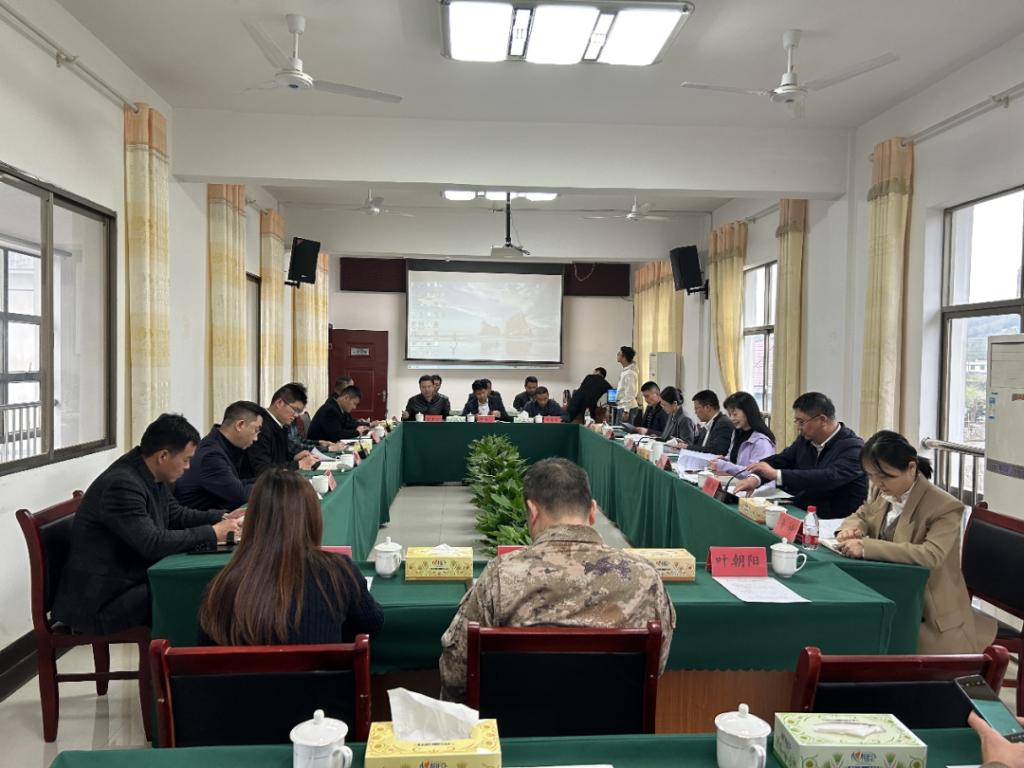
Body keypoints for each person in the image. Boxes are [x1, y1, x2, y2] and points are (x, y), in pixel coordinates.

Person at [438, 458, 676, 702]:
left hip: (517, 724)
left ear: (533, 512)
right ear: (592, 511)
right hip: (615, 725)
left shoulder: (500, 576)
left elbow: (456, 674)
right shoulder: (645, 577)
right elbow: (654, 667)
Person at [51, 414, 242, 634]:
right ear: (163, 456)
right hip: (102, 600)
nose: (188, 467)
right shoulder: (122, 484)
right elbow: (152, 543)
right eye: (186, 460)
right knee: (192, 591)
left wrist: (223, 517)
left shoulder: (150, 473)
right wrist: (212, 533)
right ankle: (186, 655)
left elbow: (176, 515)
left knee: (204, 586)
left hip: (129, 579)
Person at [836, 431, 997, 654]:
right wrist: (851, 528)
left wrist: (867, 547)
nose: (877, 483)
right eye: (871, 475)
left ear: (911, 468)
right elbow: (863, 513)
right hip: (890, 588)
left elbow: (931, 555)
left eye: (885, 476)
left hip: (928, 609)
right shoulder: (880, 488)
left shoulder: (945, 506)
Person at [198, 468, 384, 645]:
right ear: (312, 517)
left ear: (253, 520)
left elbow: (207, 651)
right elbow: (371, 625)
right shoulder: (338, 571)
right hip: (320, 669)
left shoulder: (220, 587)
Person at [732, 392, 868, 519]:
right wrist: (756, 478)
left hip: (836, 520)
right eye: (796, 421)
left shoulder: (854, 448)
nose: (798, 427)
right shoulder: (805, 439)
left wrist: (776, 475)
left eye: (801, 422)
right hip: (802, 510)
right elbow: (783, 460)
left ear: (822, 420)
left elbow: (827, 477)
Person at [174, 400, 263, 511]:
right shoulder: (210, 455)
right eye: (256, 430)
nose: (256, 438)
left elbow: (236, 484)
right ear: (239, 425)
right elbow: (240, 495)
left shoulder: (221, 445)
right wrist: (272, 484)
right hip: (200, 519)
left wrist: (266, 479)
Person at [241, 383, 318, 478]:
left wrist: (294, 458)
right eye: (295, 409)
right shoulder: (260, 426)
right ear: (279, 403)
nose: (296, 415)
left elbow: (278, 459)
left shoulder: (281, 424)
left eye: (299, 412)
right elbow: (262, 469)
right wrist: (298, 465)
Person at [708, 392, 777, 483]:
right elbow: (737, 460)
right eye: (730, 415)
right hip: (738, 484)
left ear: (748, 412)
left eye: (735, 414)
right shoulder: (737, 433)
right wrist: (725, 459)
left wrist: (724, 465)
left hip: (757, 489)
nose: (732, 418)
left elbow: (755, 473)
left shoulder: (761, 441)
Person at [688, 390, 733, 455]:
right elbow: (699, 447)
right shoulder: (708, 425)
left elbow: (716, 451)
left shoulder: (723, 424)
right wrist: (684, 444)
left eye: (696, 408)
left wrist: (687, 447)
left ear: (707, 408)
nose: (695, 412)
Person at [614, 346, 639, 418]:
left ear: (624, 357)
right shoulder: (625, 371)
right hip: (623, 406)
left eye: (619, 353)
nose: (617, 355)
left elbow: (630, 393)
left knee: (624, 426)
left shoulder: (629, 373)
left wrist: (626, 411)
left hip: (627, 408)